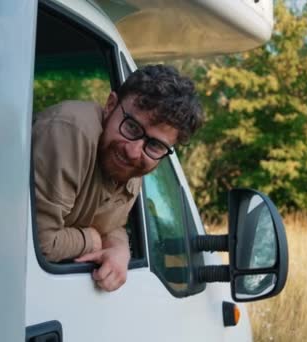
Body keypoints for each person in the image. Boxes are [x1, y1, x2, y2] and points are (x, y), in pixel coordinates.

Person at [32, 64, 203, 291]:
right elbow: (40, 243)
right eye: (131, 127)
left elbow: (112, 224)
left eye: (155, 145)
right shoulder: (71, 131)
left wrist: (120, 250)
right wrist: (93, 240)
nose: (133, 152)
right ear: (110, 106)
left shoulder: (131, 166)